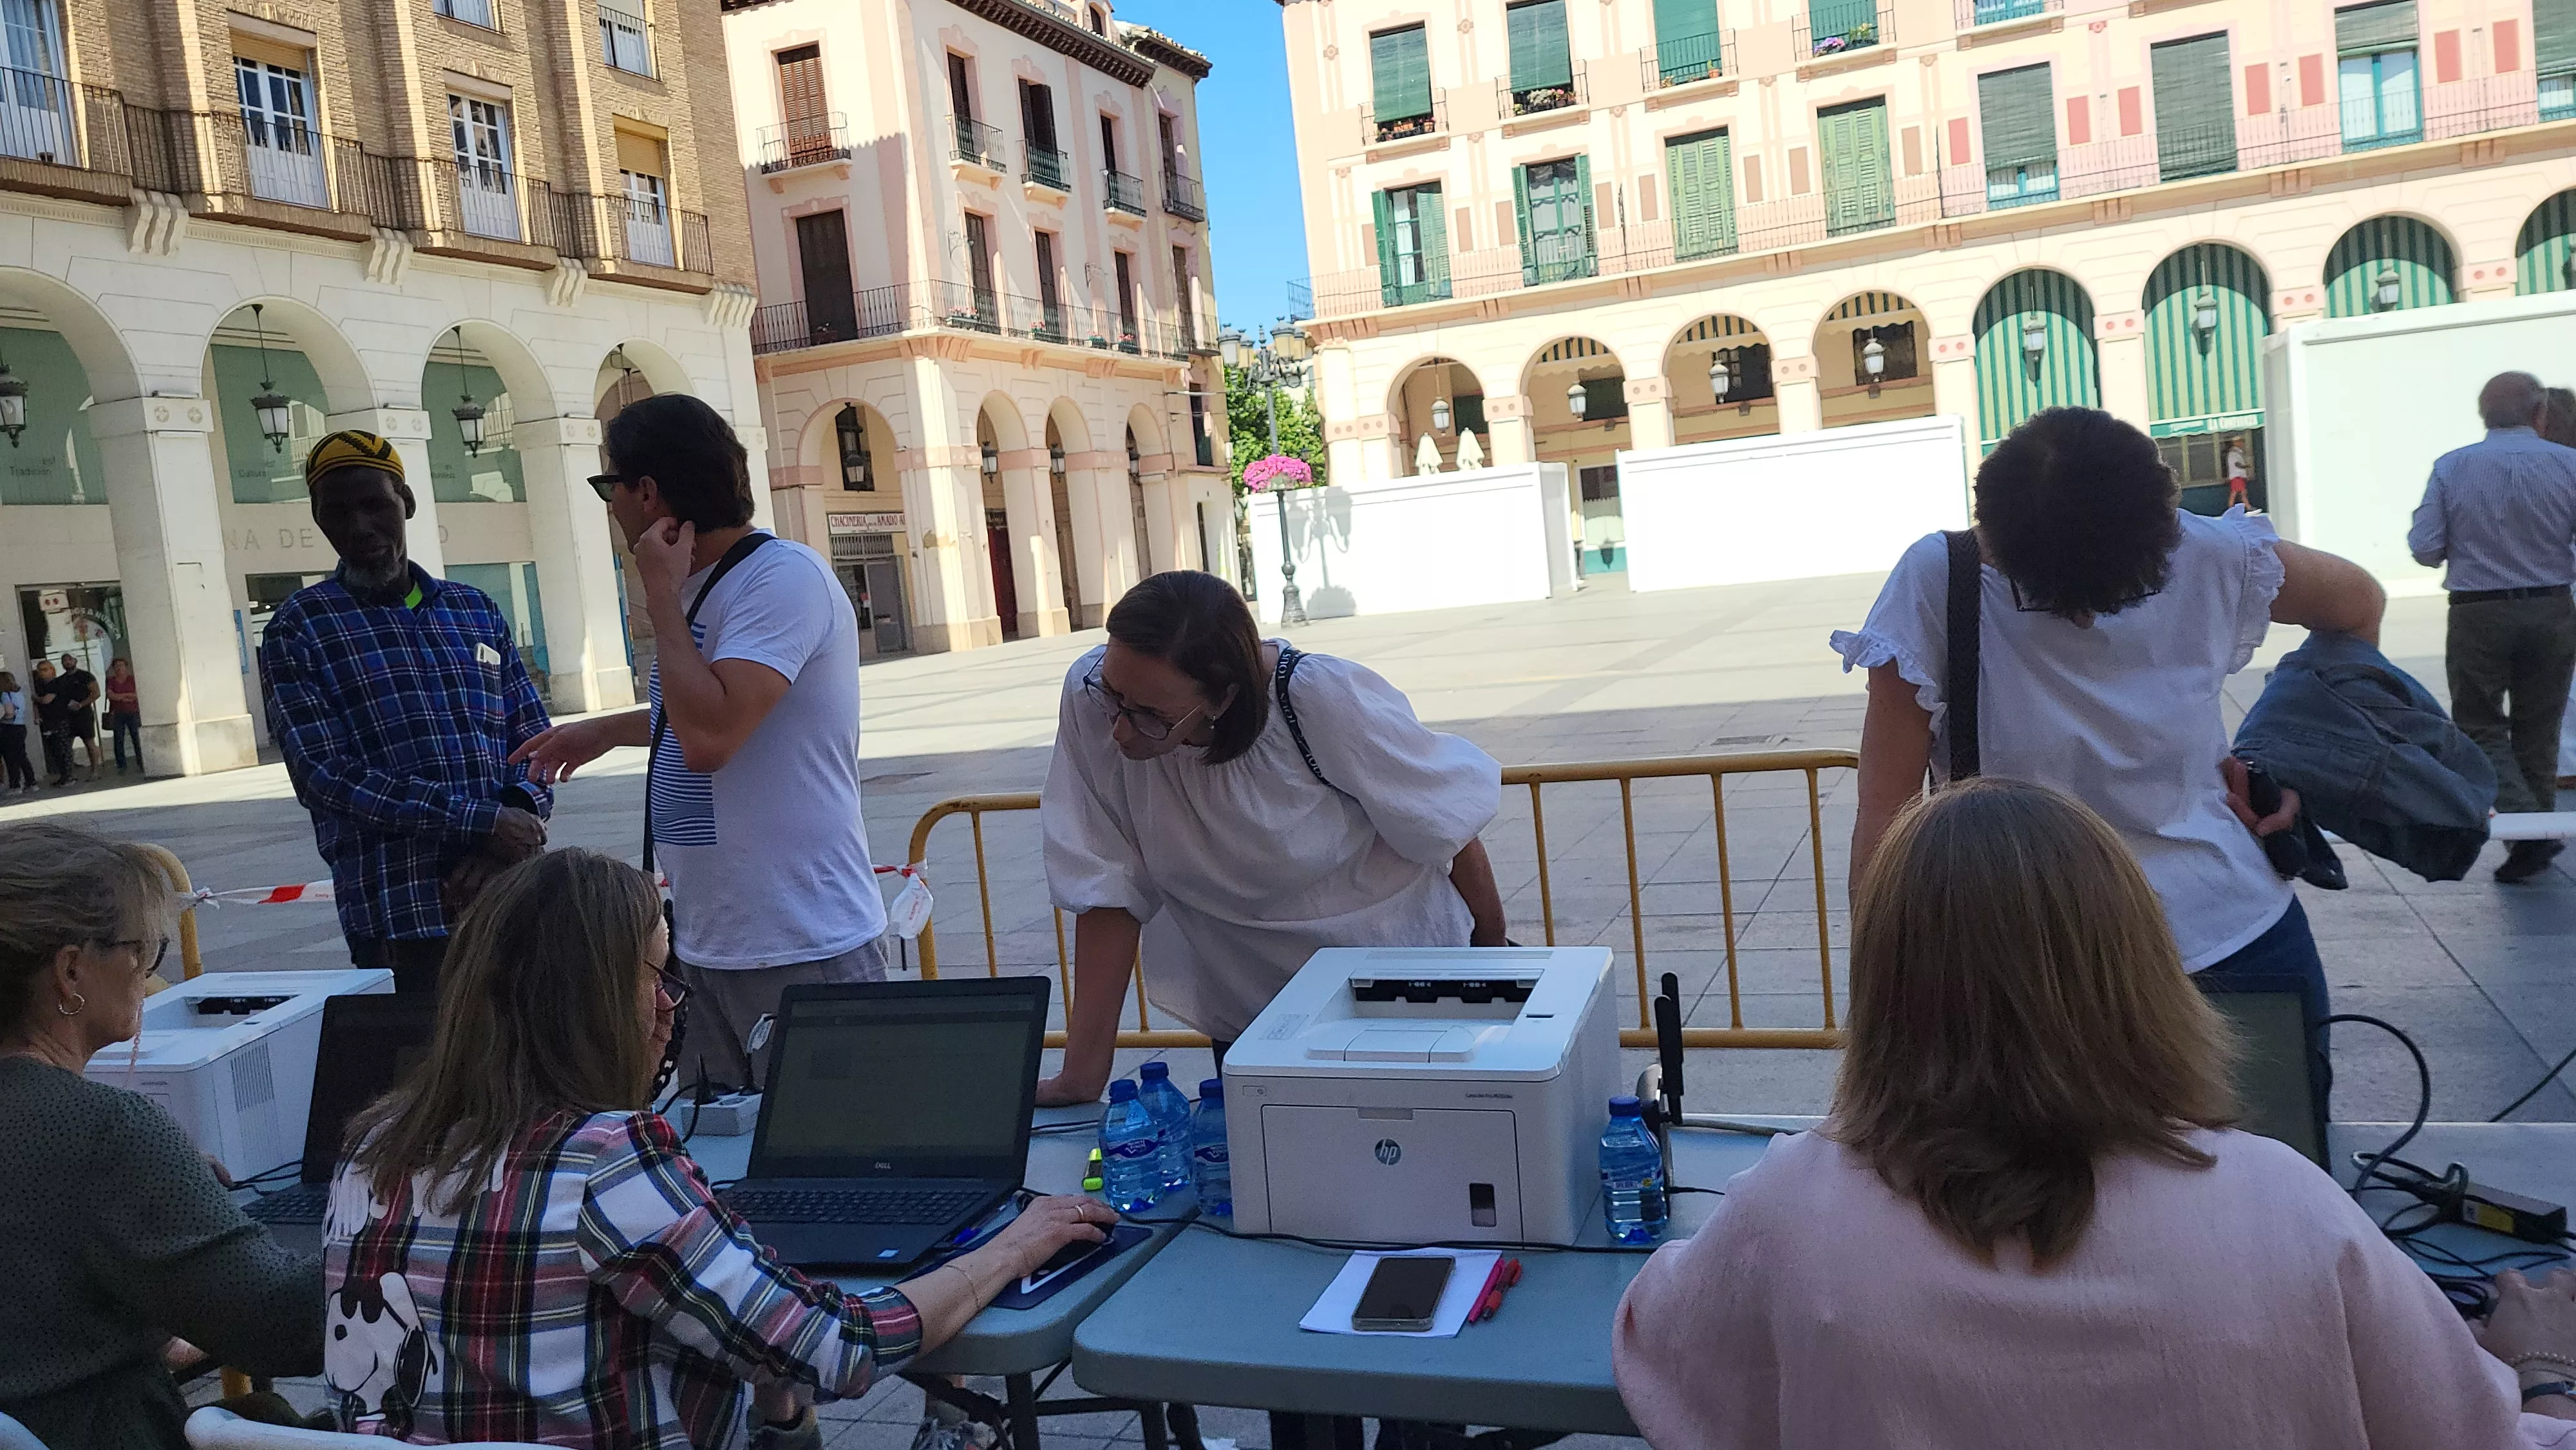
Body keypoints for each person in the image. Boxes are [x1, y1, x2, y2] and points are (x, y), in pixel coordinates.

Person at [1611, 778, 2576, 1449]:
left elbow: (1662, 1345)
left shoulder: (1794, 1207)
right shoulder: (2290, 1205)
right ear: (2140, 965)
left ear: (1890, 982)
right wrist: (2541, 1366)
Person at [325, 847, 1111, 1447]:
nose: (670, 1006)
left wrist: (778, 1401)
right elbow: (840, 1350)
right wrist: (1009, 1247)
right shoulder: (605, 1157)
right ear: (594, 999)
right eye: (657, 976)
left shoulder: (372, 1146)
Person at [1834, 406, 2383, 1055]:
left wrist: (2288, 763)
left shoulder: (2207, 554)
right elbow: (2358, 606)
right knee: (2255, 1151)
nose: (2084, 618)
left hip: (2154, 953)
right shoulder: (1949, 580)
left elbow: (1885, 818)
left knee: (2059, 1159)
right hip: (2091, 957)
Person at [515, 393, 882, 1091]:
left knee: (832, 1161)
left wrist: (657, 596)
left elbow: (712, 735)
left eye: (609, 487)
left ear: (647, 492)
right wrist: (606, 729)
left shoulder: (782, 579)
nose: (611, 506)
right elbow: (695, 708)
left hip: (800, 939)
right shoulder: (697, 588)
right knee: (720, 1156)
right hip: (707, 946)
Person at [1036, 569, 1506, 1103]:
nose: (1120, 728)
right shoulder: (1091, 695)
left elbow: (1445, 825)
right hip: (1252, 1013)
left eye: (1152, 716)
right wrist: (1081, 1076)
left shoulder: (1316, 699)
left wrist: (1493, 962)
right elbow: (1107, 888)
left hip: (1397, 999)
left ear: (1221, 698)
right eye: (1115, 696)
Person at [0, 820, 323, 1449]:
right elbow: (286, 1325)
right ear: (71, 971)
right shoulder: (101, 1132)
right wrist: (396, 1219)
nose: (149, 973)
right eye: (142, 952)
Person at [260, 430, 553, 995]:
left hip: (514, 895)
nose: (359, 526)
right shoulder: (302, 628)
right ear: (319, 522)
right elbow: (326, 776)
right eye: (336, 512)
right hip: (404, 919)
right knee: (427, 1072)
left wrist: (511, 820)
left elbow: (532, 738)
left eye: (375, 504)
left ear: (408, 503)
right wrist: (481, 822)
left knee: (536, 1068)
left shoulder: (474, 611)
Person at [2410, 371, 2576, 881]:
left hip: (2478, 611)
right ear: (2540, 412)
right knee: (2539, 727)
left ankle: (2530, 832)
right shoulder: (2569, 464)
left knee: (2480, 724)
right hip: (2551, 607)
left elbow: (2424, 549)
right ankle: (2533, 835)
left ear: (2484, 415)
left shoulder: (2452, 467)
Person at [55, 652, 100, 781]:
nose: (68, 662)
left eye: (70, 659)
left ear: (75, 661)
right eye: (64, 661)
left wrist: (81, 705)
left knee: (89, 742)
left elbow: (96, 693)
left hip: (84, 714)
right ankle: (69, 774)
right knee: (66, 745)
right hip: (67, 717)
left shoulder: (86, 676)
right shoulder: (61, 680)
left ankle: (95, 771)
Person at [30, 658, 70, 787]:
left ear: (53, 670)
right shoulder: (41, 686)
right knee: (55, 751)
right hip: (47, 722)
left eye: (45, 670)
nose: (42, 673)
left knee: (63, 749)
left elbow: (46, 700)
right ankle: (62, 776)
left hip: (59, 721)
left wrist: (36, 698)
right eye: (39, 670)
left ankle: (68, 777)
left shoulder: (57, 684)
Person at [104, 657, 142, 774]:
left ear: (126, 667)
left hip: (133, 712)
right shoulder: (111, 681)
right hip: (117, 713)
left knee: (136, 738)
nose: (119, 667)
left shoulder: (132, 679)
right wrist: (126, 696)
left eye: (122, 665)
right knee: (119, 739)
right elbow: (111, 696)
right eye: (117, 665)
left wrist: (120, 696)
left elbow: (137, 695)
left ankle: (141, 762)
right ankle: (121, 765)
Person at [0, 670, 32, 792]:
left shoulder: (4, 694)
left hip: (9, 728)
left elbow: (9, 712)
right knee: (22, 756)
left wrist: (3, 719)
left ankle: (15, 785)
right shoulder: (19, 693)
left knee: (11, 758)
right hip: (20, 726)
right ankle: (31, 782)